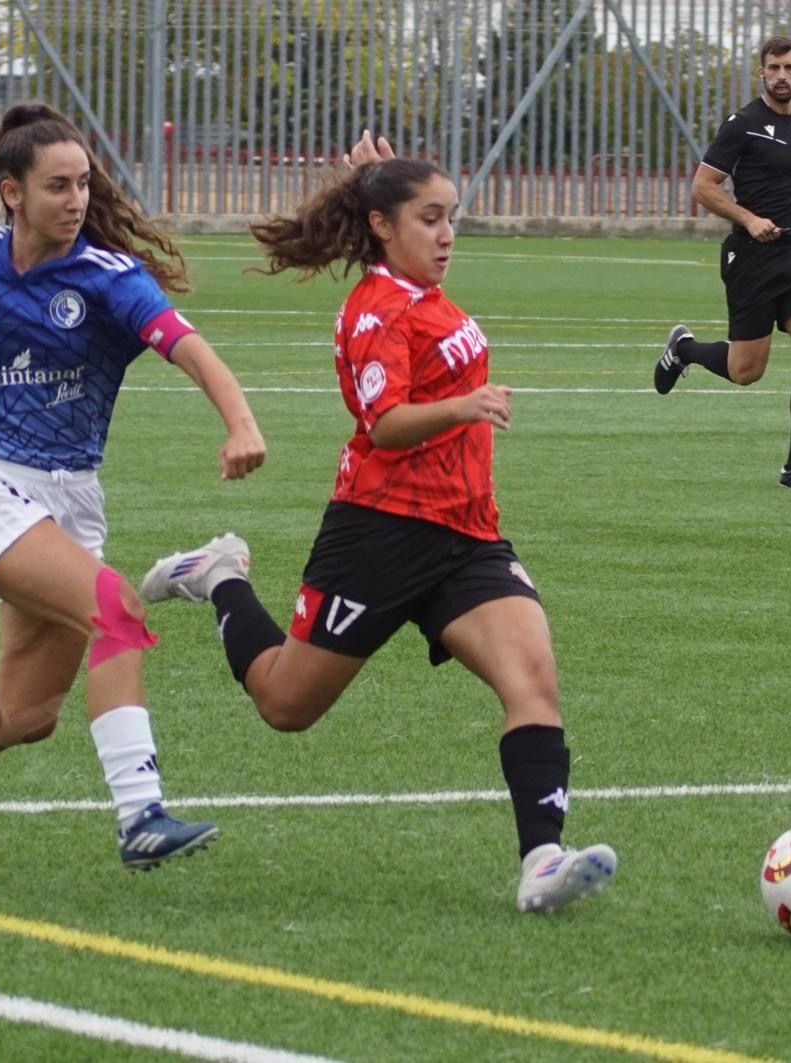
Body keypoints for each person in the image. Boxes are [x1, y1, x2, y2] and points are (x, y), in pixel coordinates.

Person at [140, 149, 617, 914]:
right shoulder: (375, 312)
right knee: (285, 705)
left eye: (451, 217)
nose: (447, 233)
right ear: (382, 226)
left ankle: (542, 863)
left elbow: (404, 233)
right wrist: (462, 407)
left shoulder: (421, 289)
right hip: (378, 533)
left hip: (467, 532)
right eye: (430, 219)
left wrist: (391, 172)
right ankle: (220, 574)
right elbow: (385, 423)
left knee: (534, 681)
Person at [0, 101, 267, 874]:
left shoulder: (110, 279)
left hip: (71, 500)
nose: (76, 201)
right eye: (57, 186)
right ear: (12, 192)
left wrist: (240, 422)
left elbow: (190, 349)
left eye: (82, 184)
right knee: (119, 608)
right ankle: (140, 813)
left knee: (26, 715)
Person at [652, 35, 791, 489]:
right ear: (761, 73)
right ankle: (683, 349)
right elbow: (704, 186)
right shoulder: (742, 125)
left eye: (789, 67)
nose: (781, 76)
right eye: (773, 68)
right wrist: (748, 219)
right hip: (753, 257)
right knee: (746, 371)